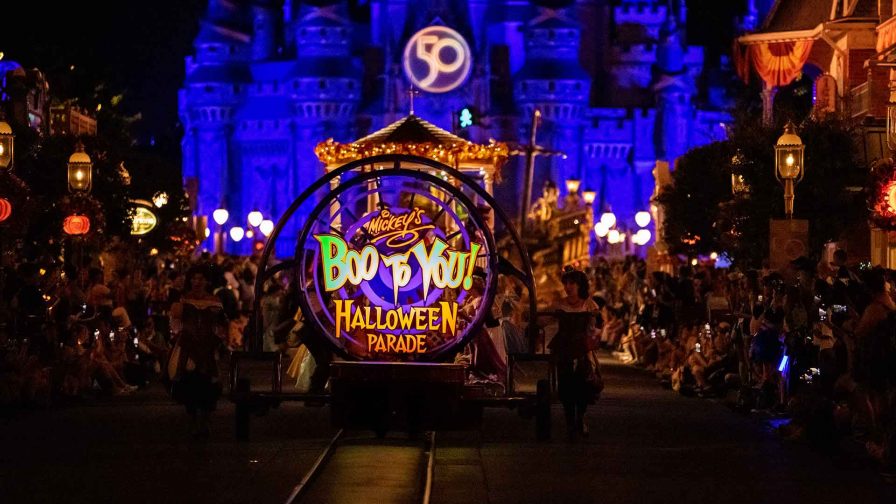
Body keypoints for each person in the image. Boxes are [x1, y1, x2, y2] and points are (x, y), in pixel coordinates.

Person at [169, 266, 228, 439]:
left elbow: (222, 323)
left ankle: (205, 420)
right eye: (194, 278)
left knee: (208, 384)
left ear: (207, 281)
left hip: (208, 346)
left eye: (200, 278)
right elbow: (176, 319)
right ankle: (194, 420)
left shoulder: (214, 300)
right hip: (188, 346)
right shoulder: (184, 298)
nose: (197, 282)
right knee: (189, 383)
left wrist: (219, 338)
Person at [549, 268, 601, 440]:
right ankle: (570, 422)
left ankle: (580, 416)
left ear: (580, 285)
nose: (568, 287)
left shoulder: (589, 305)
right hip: (563, 346)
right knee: (565, 385)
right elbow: (546, 319)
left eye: (572, 283)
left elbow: (595, 328)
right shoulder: (559, 304)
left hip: (581, 347)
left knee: (582, 385)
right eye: (566, 283)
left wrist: (592, 341)